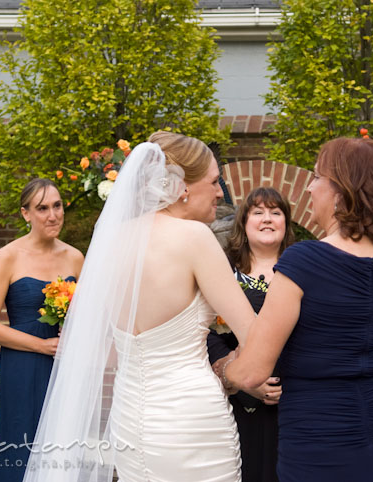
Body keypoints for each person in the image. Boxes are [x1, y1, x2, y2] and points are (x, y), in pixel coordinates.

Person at [23, 132, 257, 482]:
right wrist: (228, 373)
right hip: (189, 420)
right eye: (214, 181)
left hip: (129, 419)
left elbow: (106, 353)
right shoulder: (194, 238)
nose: (221, 192)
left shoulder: (112, 241)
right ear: (183, 188)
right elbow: (254, 334)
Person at [224, 137, 373, 481]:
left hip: (322, 426)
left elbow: (251, 374)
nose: (309, 189)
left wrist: (221, 369)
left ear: (340, 192)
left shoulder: (304, 260)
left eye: (317, 177)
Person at [0, 178, 84, 482]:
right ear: (26, 214)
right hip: (22, 366)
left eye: (57, 206)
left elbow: (88, 316)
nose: (53, 215)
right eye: (42, 208)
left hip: (65, 368)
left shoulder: (75, 257)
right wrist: (41, 346)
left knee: (63, 451)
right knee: (20, 446)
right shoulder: (8, 256)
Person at [207, 186, 295, 482]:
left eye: (275, 212)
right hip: (233, 402)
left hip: (290, 401)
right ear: (244, 223)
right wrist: (241, 378)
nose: (267, 219)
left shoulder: (302, 270)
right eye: (258, 212)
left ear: (286, 221)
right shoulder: (222, 272)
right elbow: (205, 332)